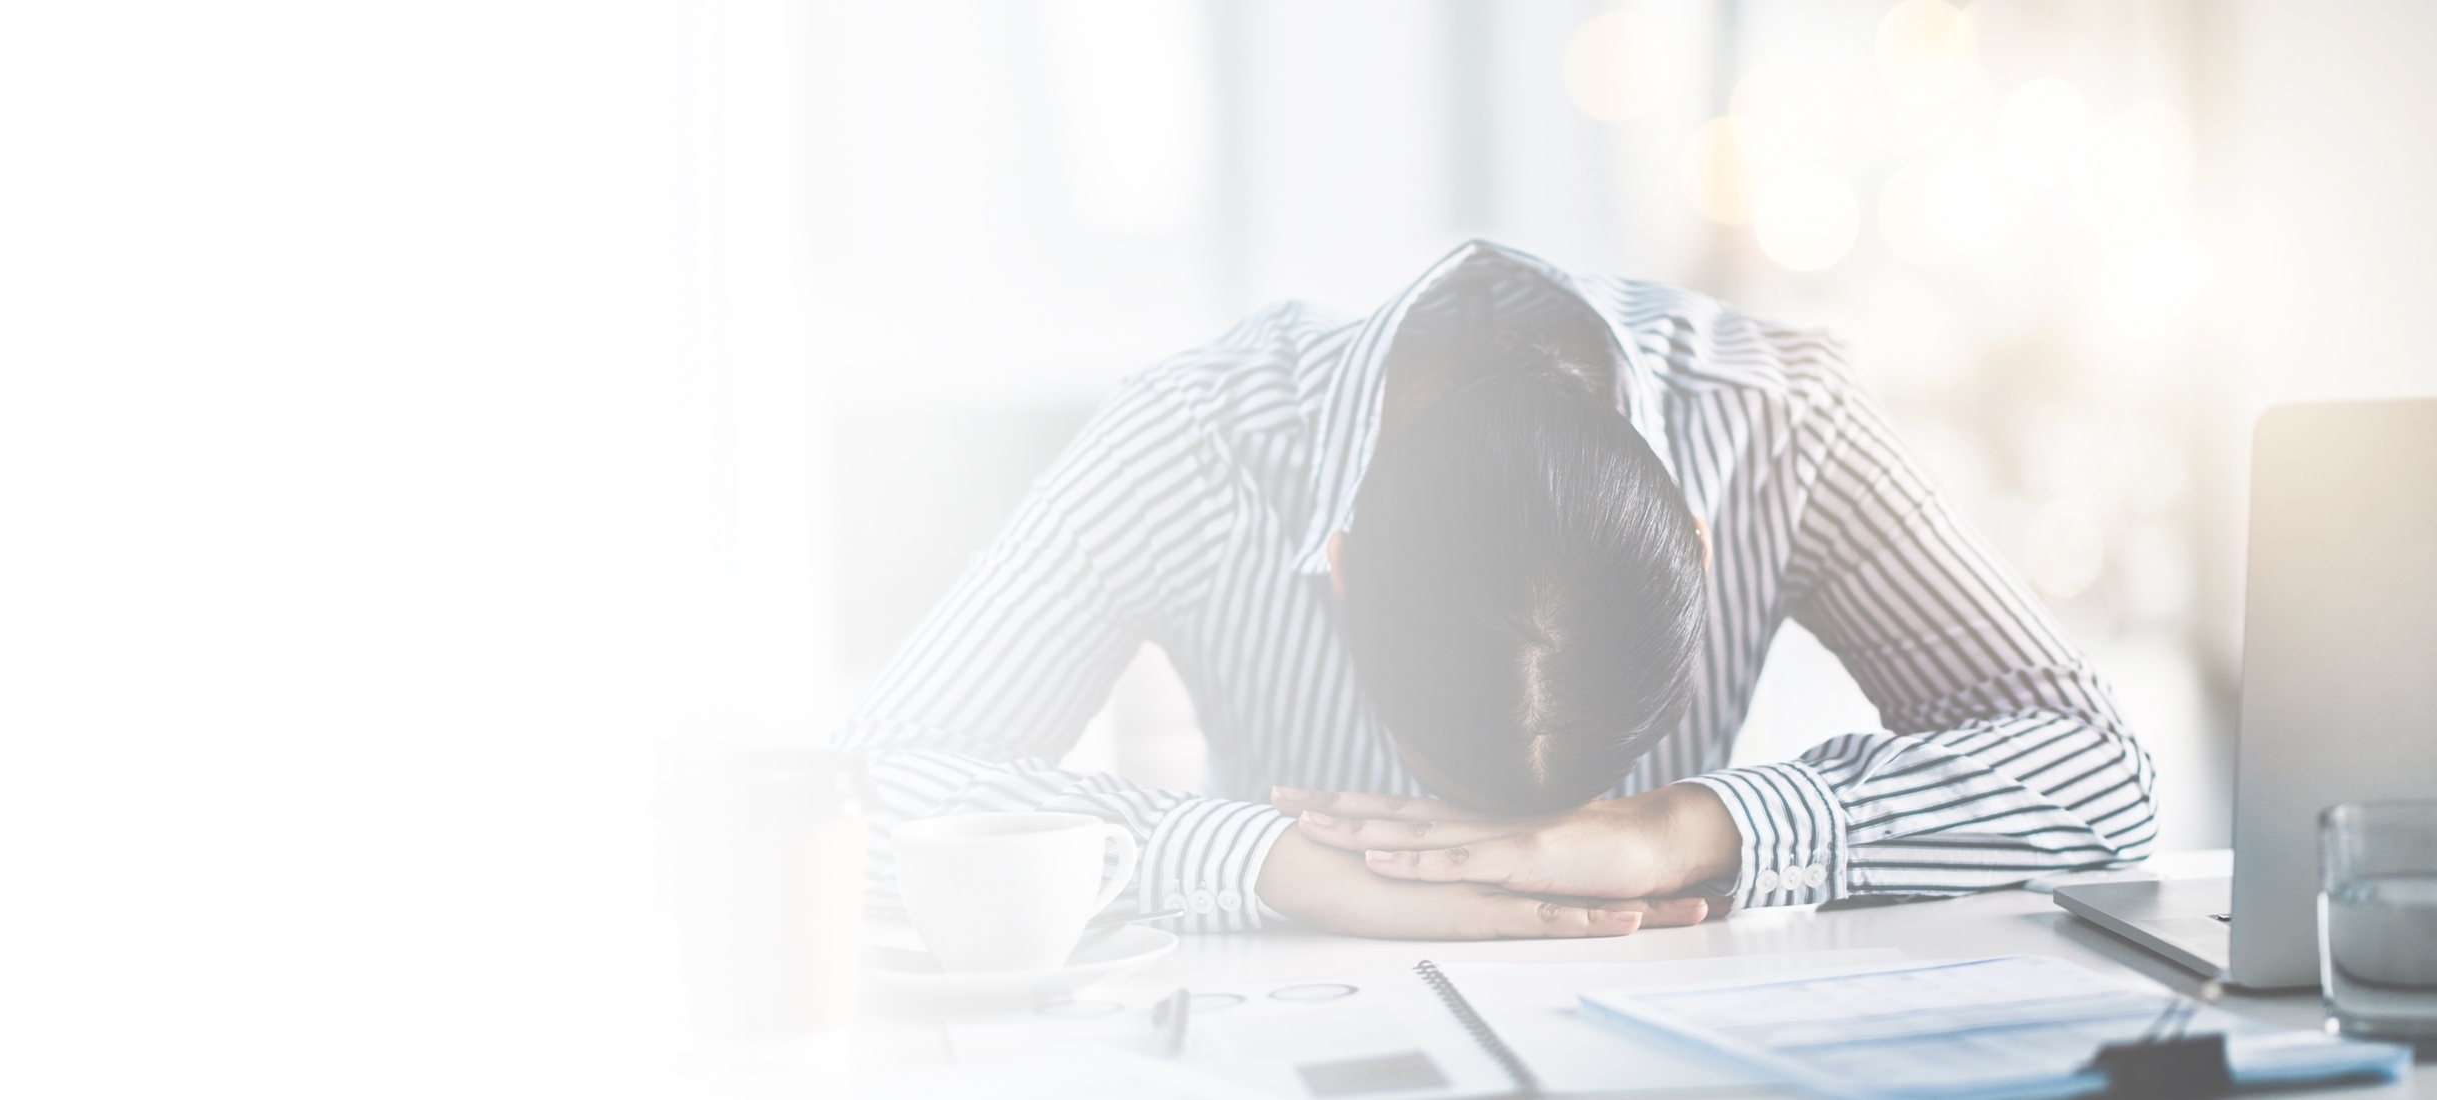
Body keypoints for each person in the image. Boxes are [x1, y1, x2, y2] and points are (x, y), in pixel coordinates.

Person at [834, 241, 2156, 939]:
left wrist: (1690, 827)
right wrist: (1276, 865)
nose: (1517, 867)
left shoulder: (1781, 423)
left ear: (1694, 546)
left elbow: (2101, 772)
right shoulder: (1190, 442)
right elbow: (878, 782)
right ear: (1339, 567)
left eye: (1584, 797)